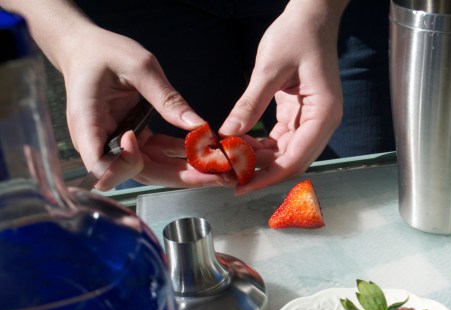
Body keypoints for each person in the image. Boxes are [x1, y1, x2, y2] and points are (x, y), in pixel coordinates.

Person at [0, 0, 393, 194]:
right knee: (172, 213)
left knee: (363, 184)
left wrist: (320, 9)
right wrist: (68, 36)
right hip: (128, 11)